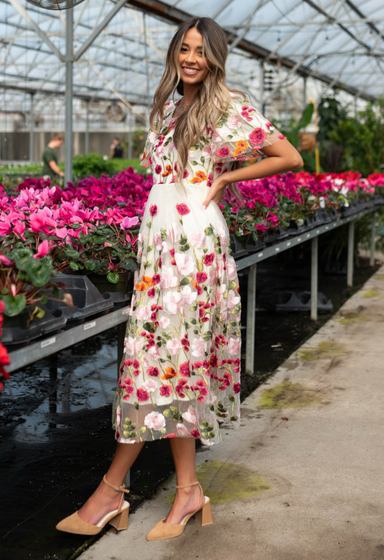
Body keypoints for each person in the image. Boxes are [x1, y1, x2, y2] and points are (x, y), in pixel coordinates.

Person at [56, 17, 303, 541]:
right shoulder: (168, 104)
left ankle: (111, 491)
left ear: (215, 57)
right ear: (176, 52)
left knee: (160, 361)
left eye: (200, 51)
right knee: (170, 364)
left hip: (194, 246)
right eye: (184, 48)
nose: (191, 58)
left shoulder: (226, 104)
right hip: (159, 242)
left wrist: (227, 177)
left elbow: (289, 155)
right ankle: (186, 490)